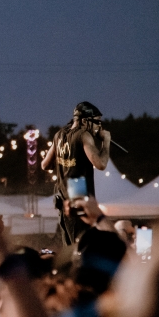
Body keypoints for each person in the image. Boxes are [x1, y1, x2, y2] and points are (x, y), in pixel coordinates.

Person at [41, 101, 111, 245]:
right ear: (85, 121)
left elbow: (45, 165)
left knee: (72, 249)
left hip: (64, 205)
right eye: (97, 122)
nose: (99, 127)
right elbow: (101, 164)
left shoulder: (59, 135)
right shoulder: (83, 135)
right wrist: (106, 142)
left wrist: (64, 161)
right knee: (82, 251)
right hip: (80, 206)